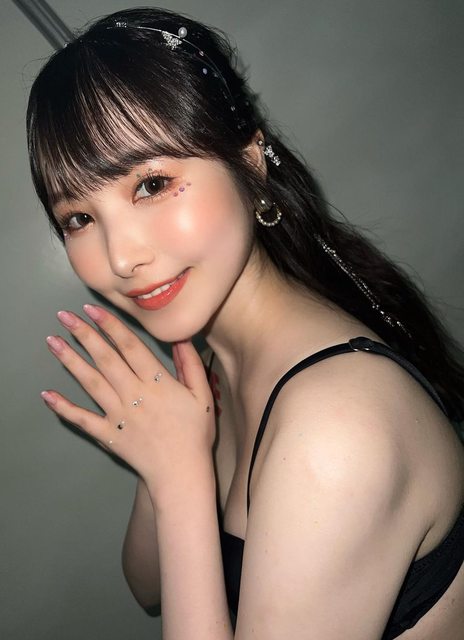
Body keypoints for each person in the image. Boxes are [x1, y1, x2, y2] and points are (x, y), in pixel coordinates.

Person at [27, 7, 464, 639]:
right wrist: (167, 454)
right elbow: (146, 584)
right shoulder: (213, 362)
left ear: (250, 163)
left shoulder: (336, 428)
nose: (121, 257)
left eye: (151, 184)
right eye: (79, 218)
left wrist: (181, 481)